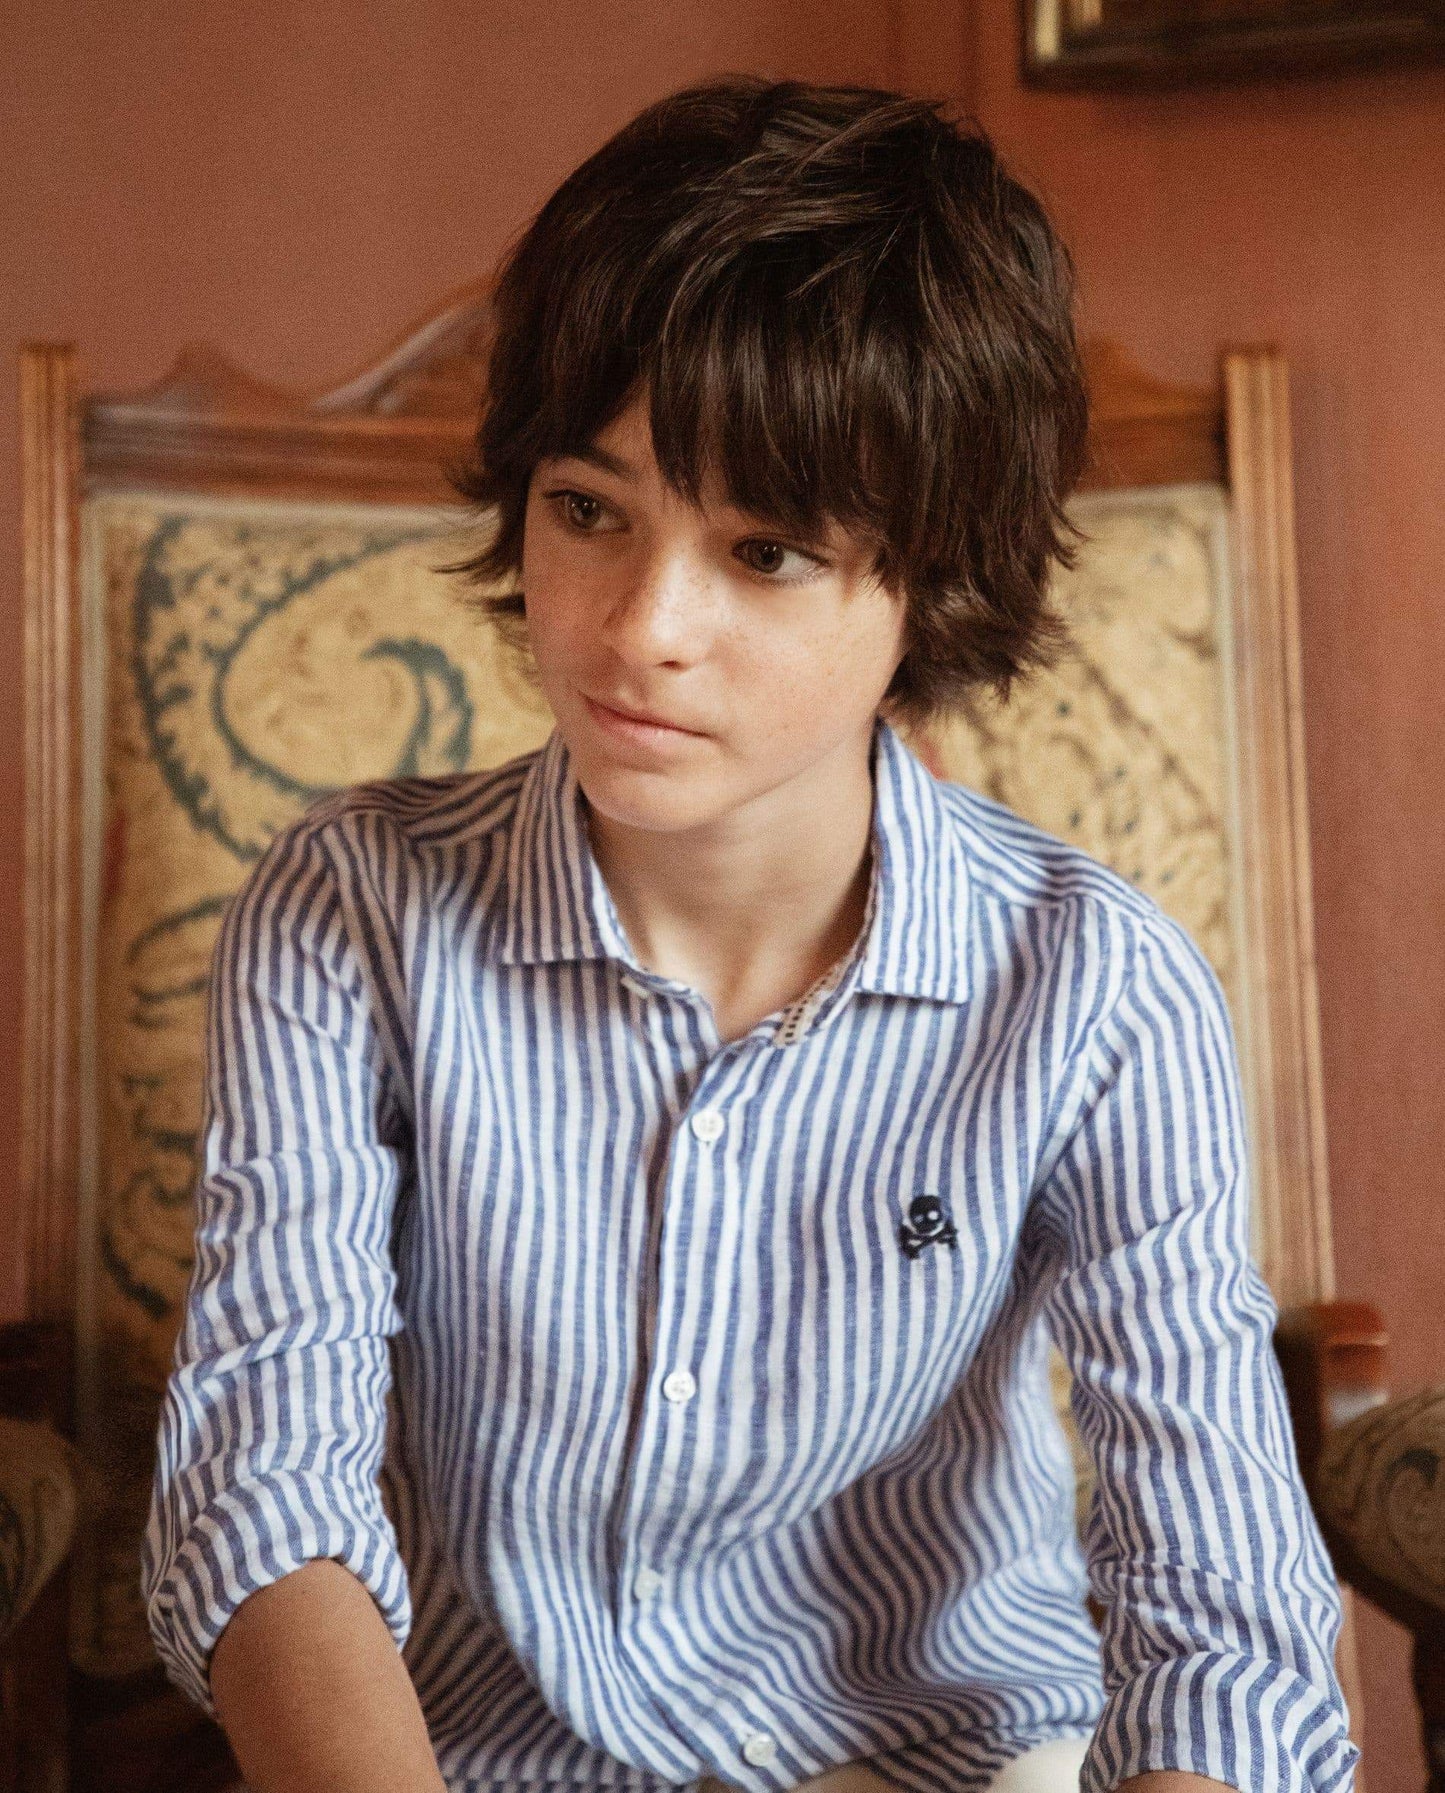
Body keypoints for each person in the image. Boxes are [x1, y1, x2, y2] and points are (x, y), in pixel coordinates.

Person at [141, 76, 1358, 1793]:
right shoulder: (347, 911)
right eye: (588, 509)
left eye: (766, 551)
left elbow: (1221, 1615)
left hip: (961, 1758)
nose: (643, 625)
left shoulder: (1095, 989)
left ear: (930, 581)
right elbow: (267, 1478)